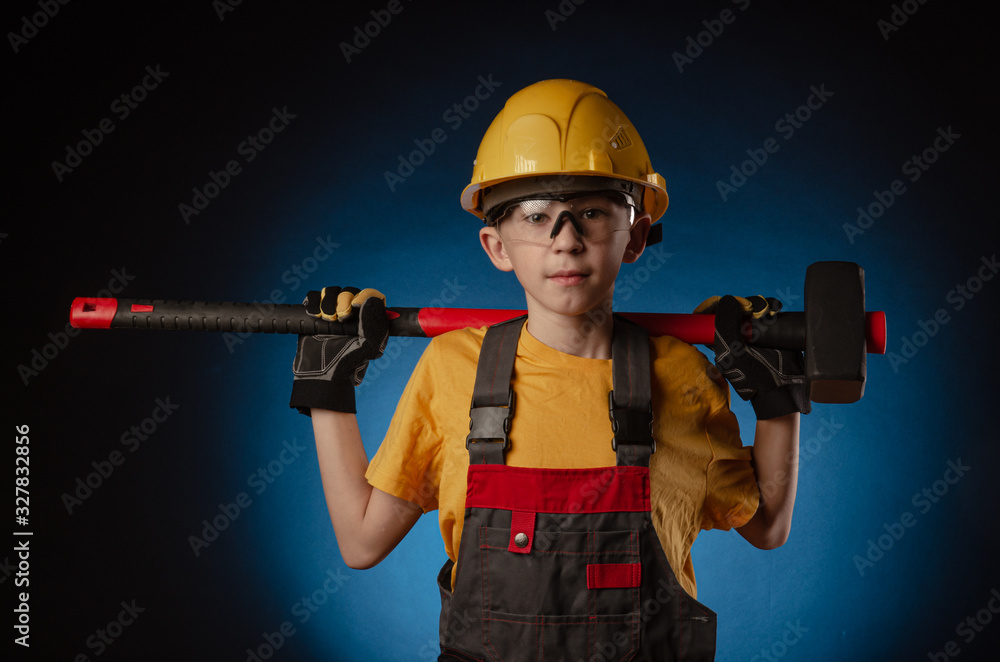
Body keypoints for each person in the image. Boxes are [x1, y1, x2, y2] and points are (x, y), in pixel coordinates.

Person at [289, 79, 809, 661]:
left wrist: (775, 398)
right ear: (497, 245)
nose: (566, 241)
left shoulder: (682, 375)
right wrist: (328, 387)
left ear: (634, 234)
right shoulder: (452, 369)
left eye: (590, 211)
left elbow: (766, 527)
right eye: (536, 217)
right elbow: (361, 542)